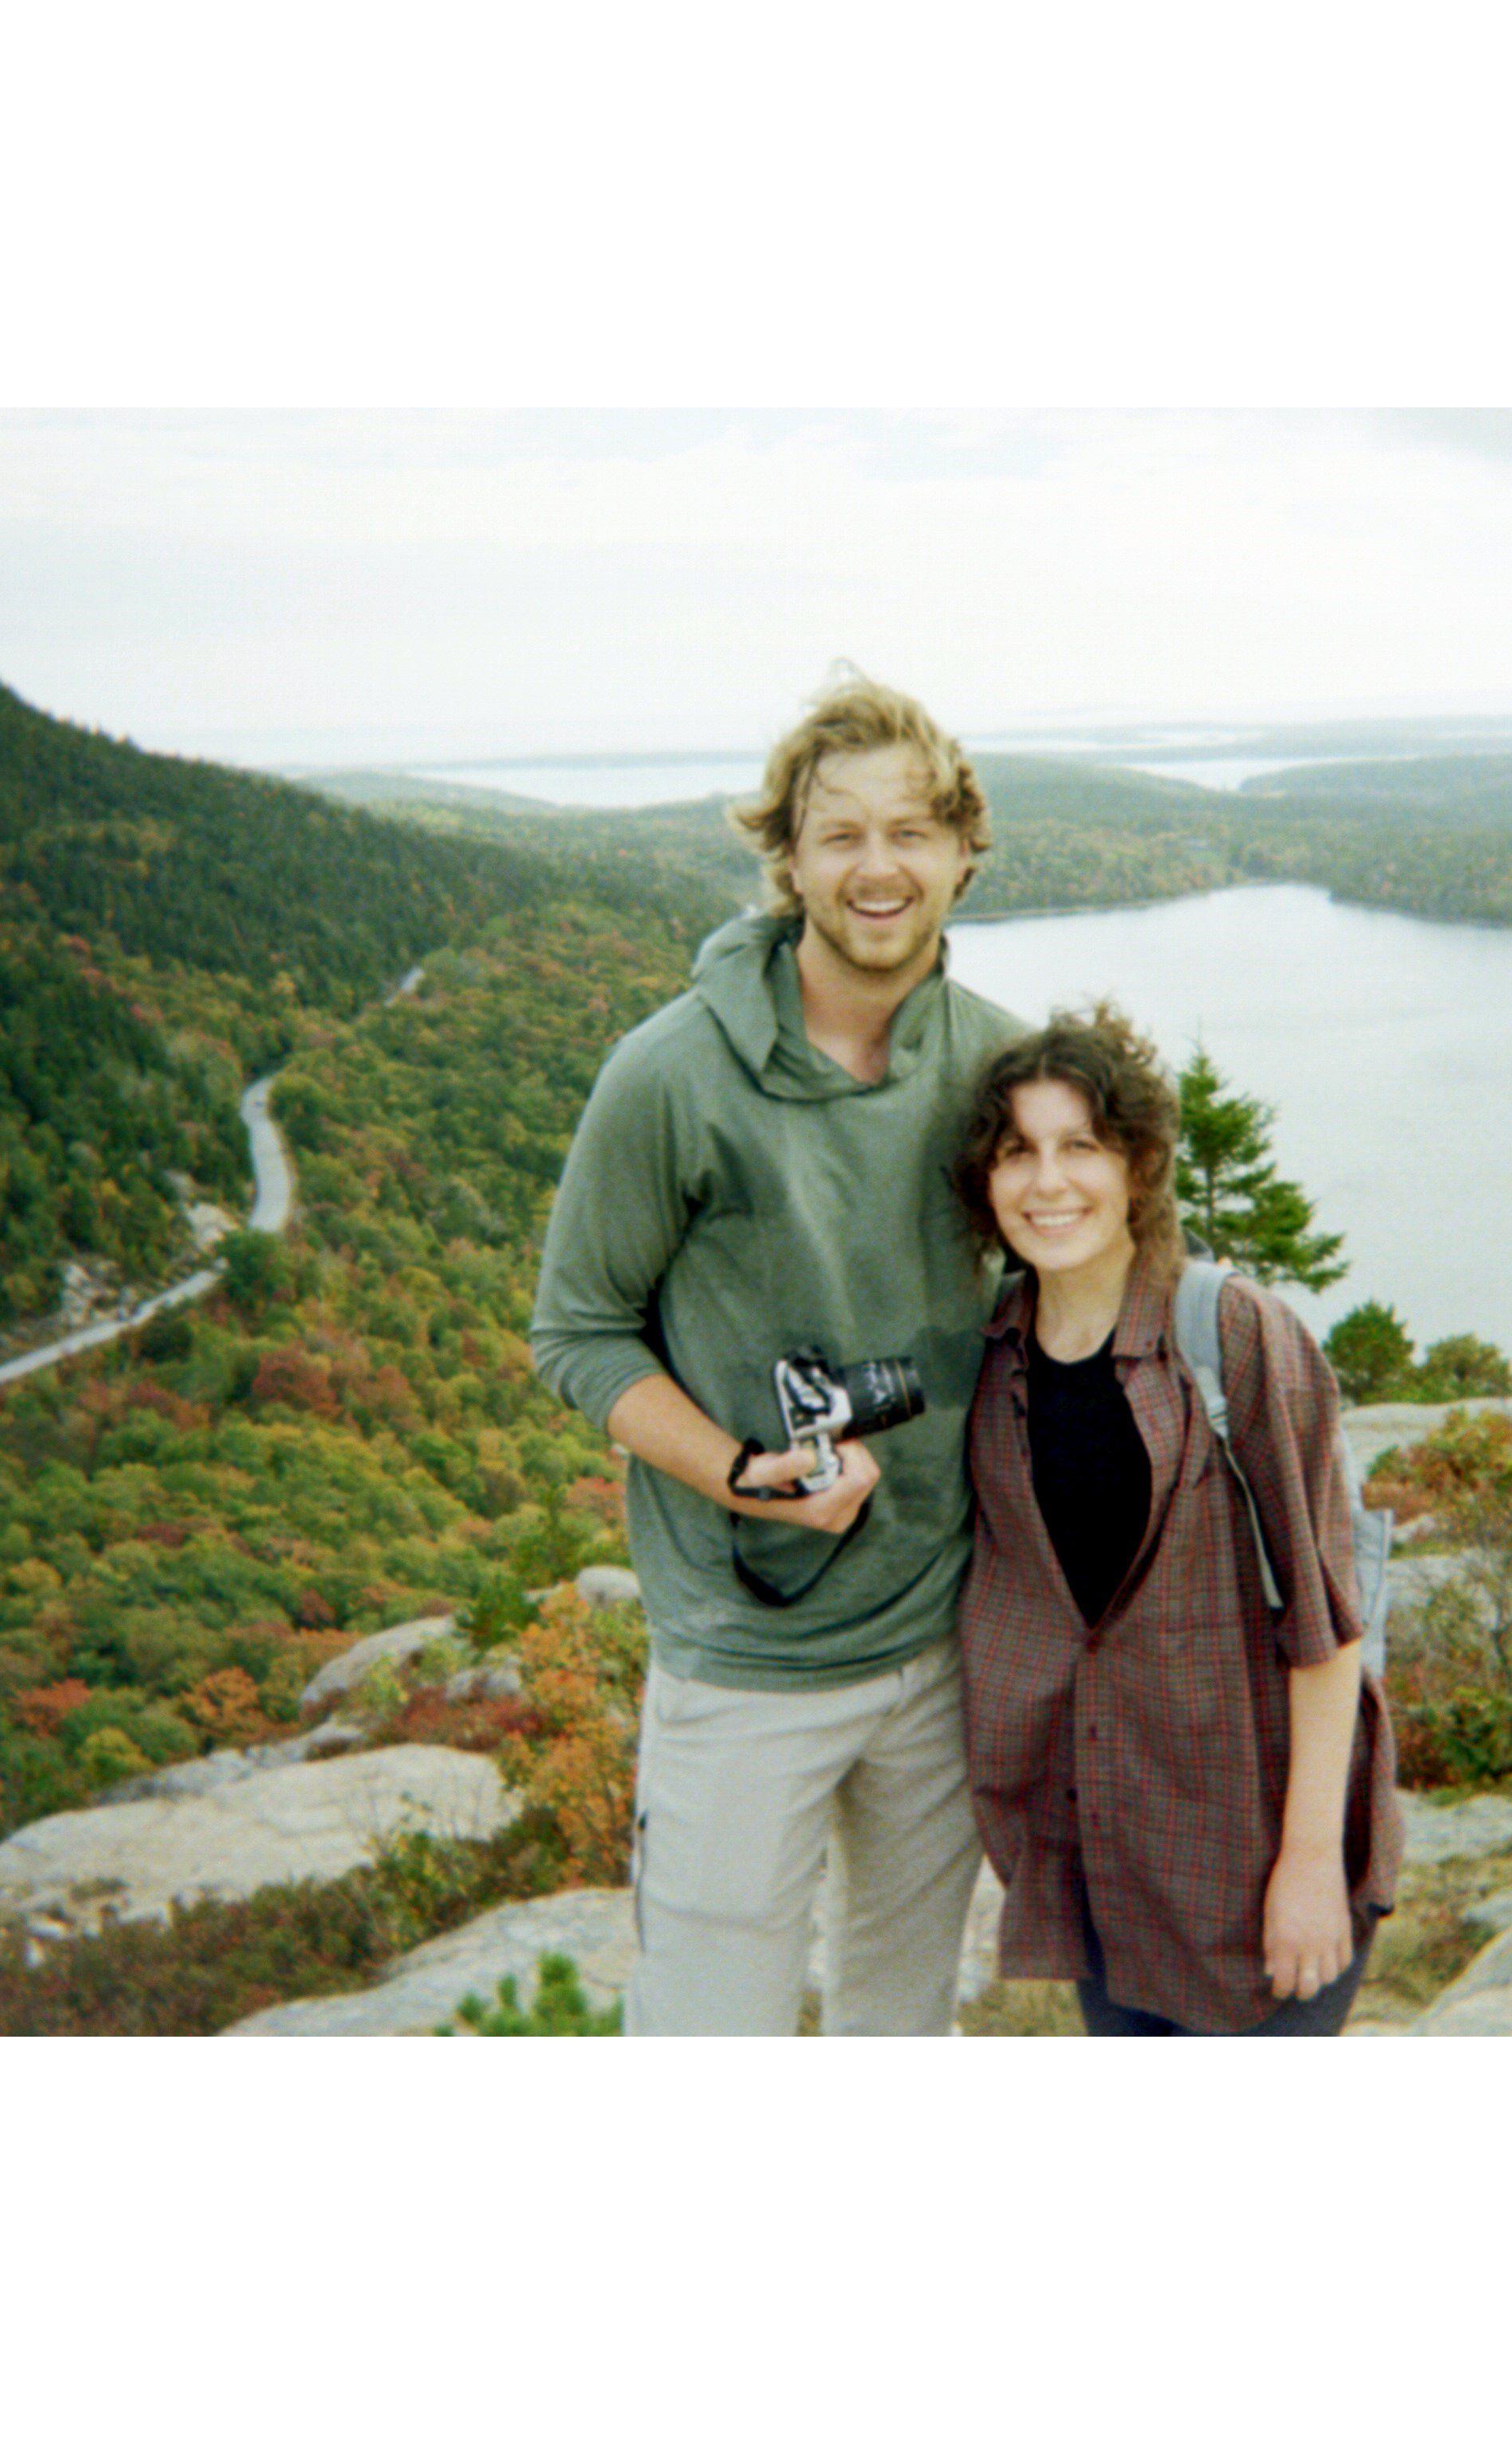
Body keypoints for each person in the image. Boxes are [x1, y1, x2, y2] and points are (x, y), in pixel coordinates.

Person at [529, 671, 1022, 2036]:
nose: (880, 867)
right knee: (708, 2029)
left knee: (899, 2021)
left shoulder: (996, 1071)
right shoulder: (672, 1076)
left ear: (963, 854)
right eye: (842, 834)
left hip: (940, 1641)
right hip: (745, 1658)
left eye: (913, 831)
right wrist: (741, 1473)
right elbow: (576, 1332)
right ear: (788, 858)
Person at [949, 1004, 1402, 2035]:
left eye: (1081, 1147)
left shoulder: (1231, 1336)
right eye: (1018, 1151)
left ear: (1140, 1166)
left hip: (1254, 1857)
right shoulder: (992, 1362)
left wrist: (1309, 1867)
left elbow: (1327, 1630)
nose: (1047, 1181)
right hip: (1111, 1866)